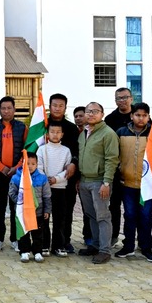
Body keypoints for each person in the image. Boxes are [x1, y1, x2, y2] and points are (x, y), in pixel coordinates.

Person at [114, 102, 152, 263]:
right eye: (138, 115)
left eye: (144, 115)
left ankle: (146, 248)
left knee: (146, 216)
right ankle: (128, 246)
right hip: (127, 184)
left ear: (148, 116)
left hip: (147, 185)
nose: (141, 118)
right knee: (130, 215)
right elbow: (115, 155)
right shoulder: (121, 132)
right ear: (131, 116)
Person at [77, 102, 119, 264]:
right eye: (88, 111)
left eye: (95, 111)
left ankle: (105, 250)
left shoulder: (108, 133)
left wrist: (106, 182)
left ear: (102, 114)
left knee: (102, 216)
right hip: (84, 181)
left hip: (100, 182)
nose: (91, 114)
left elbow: (112, 159)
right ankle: (95, 245)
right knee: (91, 215)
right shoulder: (84, 133)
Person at [0, 96, 27, 252]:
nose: (6, 111)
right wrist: (0, 167)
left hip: (16, 175)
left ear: (14, 109)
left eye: (9, 108)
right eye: (3, 108)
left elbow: (27, 149)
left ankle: (15, 239)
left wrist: (17, 167)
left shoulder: (22, 128)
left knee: (16, 208)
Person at [46, 93, 79, 255]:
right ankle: (43, 243)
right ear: (49, 106)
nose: (57, 108)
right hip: (45, 179)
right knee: (44, 213)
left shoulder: (72, 129)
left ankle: (64, 241)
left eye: (61, 106)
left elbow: (77, 150)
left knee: (65, 212)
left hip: (66, 178)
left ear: (65, 108)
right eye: (54, 105)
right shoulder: (41, 125)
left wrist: (74, 163)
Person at [9, 152, 52, 263]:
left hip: (38, 212)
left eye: (33, 164)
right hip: (23, 212)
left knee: (38, 233)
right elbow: (12, 193)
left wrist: (47, 210)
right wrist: (21, 202)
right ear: (23, 163)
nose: (30, 166)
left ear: (37, 164)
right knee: (24, 233)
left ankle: (37, 252)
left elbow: (47, 196)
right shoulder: (16, 178)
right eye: (27, 163)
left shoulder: (42, 178)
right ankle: (24, 251)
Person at [104, 87, 133, 248]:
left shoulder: (139, 115)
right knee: (114, 205)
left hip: (136, 170)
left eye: (125, 97)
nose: (122, 101)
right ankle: (113, 236)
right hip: (115, 169)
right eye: (118, 98)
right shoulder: (110, 119)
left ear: (131, 98)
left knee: (133, 208)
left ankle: (133, 240)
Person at [36, 124, 71, 257]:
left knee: (59, 219)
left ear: (62, 134)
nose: (55, 134)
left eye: (58, 132)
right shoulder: (42, 150)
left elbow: (67, 169)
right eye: (52, 132)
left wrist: (56, 179)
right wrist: (46, 180)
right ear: (47, 134)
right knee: (44, 218)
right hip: (45, 190)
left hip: (60, 189)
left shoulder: (66, 151)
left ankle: (58, 246)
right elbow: (38, 167)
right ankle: (44, 245)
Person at [73, 104, 93, 247]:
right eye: (76, 116)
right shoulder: (72, 132)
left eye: (81, 115)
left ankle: (89, 237)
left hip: (87, 177)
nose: (79, 118)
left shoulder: (92, 133)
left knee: (88, 209)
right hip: (71, 175)